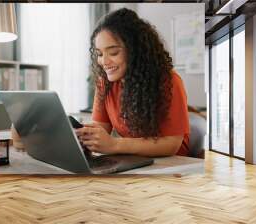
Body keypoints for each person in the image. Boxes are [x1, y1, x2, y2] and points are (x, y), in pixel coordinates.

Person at [75, 8, 190, 157]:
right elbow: (101, 127)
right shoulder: (104, 83)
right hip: (134, 159)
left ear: (135, 50)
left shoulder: (169, 81)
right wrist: (85, 136)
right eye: (99, 54)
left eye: (114, 52)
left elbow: (171, 144)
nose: (104, 61)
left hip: (173, 163)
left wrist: (115, 144)